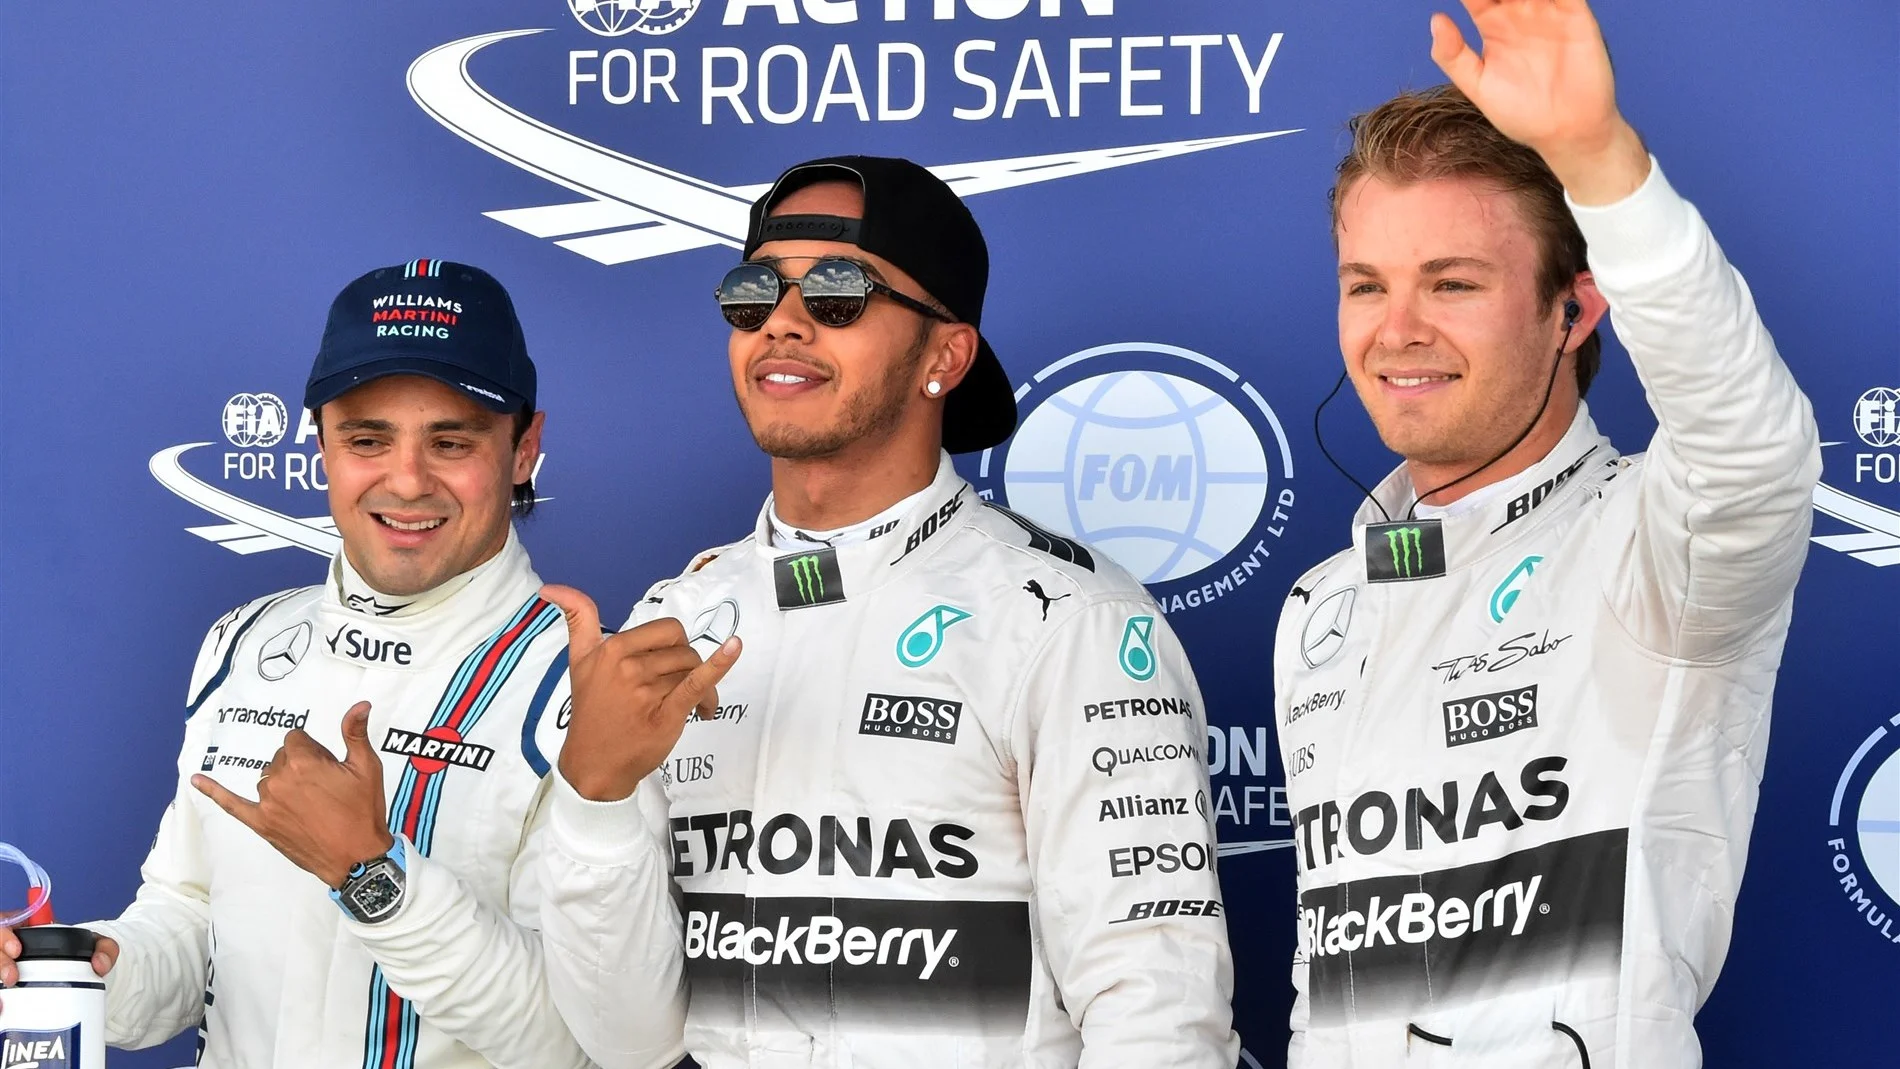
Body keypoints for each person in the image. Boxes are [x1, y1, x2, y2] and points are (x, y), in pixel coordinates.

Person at [534, 156, 1240, 1068]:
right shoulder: (681, 616)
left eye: (838, 292)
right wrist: (595, 796)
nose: (782, 322)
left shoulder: (1069, 620)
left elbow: (1159, 1021)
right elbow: (630, 1041)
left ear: (946, 355)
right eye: (754, 293)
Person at [1274, 1, 1821, 1065]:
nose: (1398, 330)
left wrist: (1597, 161)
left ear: (1574, 310)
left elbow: (1751, 451)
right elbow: (1330, 974)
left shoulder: (1653, 545)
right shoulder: (1318, 605)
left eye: (1454, 283)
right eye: (1366, 285)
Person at [0, 260, 701, 1068]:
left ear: (523, 449)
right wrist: (77, 975)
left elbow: (585, 1046)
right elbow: (189, 920)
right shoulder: (246, 643)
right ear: (323, 442)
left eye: (452, 440)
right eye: (368, 439)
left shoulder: (581, 686)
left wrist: (372, 874)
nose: (407, 480)